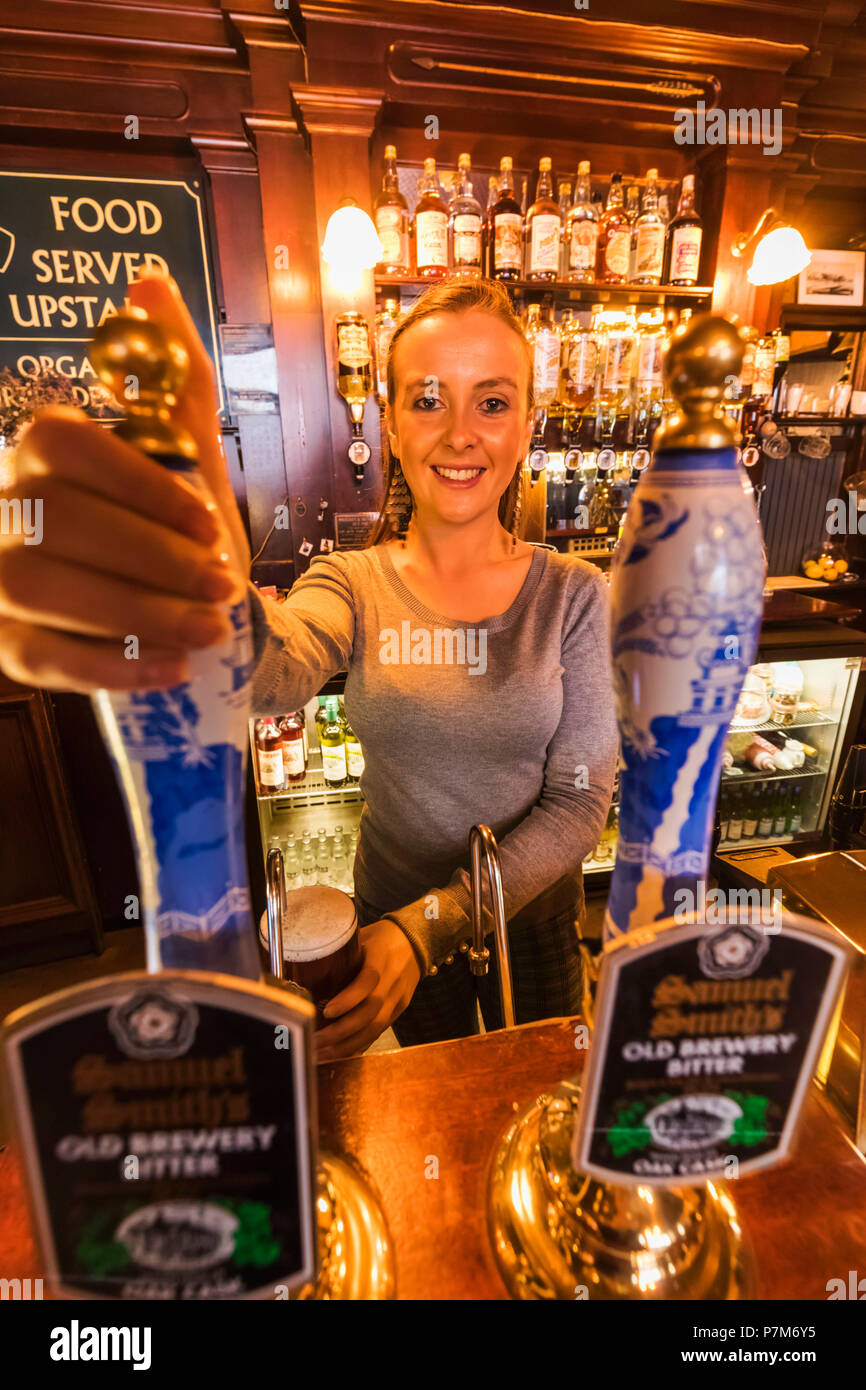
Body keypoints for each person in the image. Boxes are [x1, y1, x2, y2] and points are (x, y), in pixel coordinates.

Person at [0, 273, 617, 1058]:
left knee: (537, 1112)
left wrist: (428, 928)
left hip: (527, 922)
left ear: (526, 425)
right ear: (391, 423)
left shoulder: (574, 595)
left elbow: (576, 807)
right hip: (385, 919)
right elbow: (267, 678)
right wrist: (207, 563)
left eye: (491, 403)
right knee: (427, 1115)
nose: (461, 433)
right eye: (429, 400)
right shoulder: (351, 582)